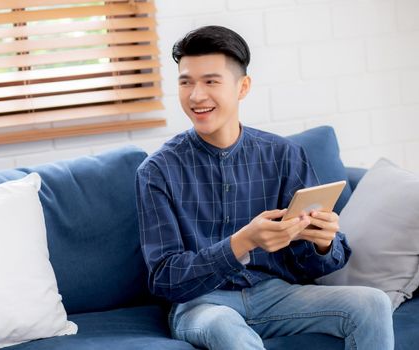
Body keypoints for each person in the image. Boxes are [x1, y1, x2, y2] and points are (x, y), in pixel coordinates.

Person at [135, 25, 394, 350]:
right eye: (185, 82)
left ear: (243, 87)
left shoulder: (284, 155)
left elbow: (312, 263)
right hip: (202, 304)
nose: (196, 95)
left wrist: (324, 243)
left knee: (372, 303)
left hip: (276, 294)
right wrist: (242, 242)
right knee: (222, 327)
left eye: (210, 81)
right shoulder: (157, 171)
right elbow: (164, 278)